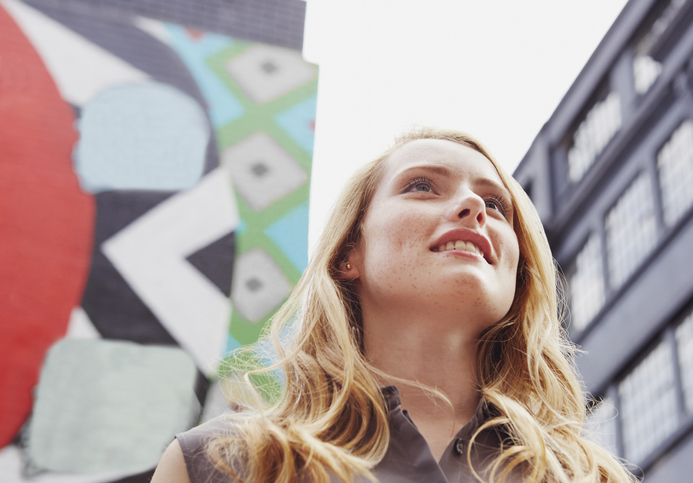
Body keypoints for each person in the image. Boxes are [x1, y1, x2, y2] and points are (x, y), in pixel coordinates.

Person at [151, 128, 634, 482]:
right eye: (422, 185)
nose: (474, 208)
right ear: (347, 254)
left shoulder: (589, 477)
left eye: (497, 205)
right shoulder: (221, 463)